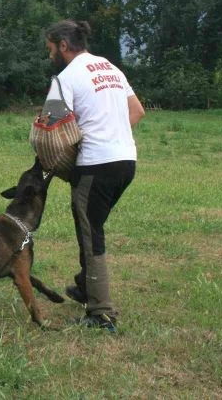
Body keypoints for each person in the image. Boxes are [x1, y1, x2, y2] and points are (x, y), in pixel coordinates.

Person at [44, 20, 145, 332]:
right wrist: (111, 133)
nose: (50, 56)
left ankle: (101, 314)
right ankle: (86, 285)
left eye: (50, 49)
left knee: (90, 234)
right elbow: (137, 111)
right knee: (91, 225)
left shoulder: (65, 78)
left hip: (95, 165)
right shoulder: (110, 68)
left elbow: (51, 127)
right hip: (125, 161)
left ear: (63, 45)